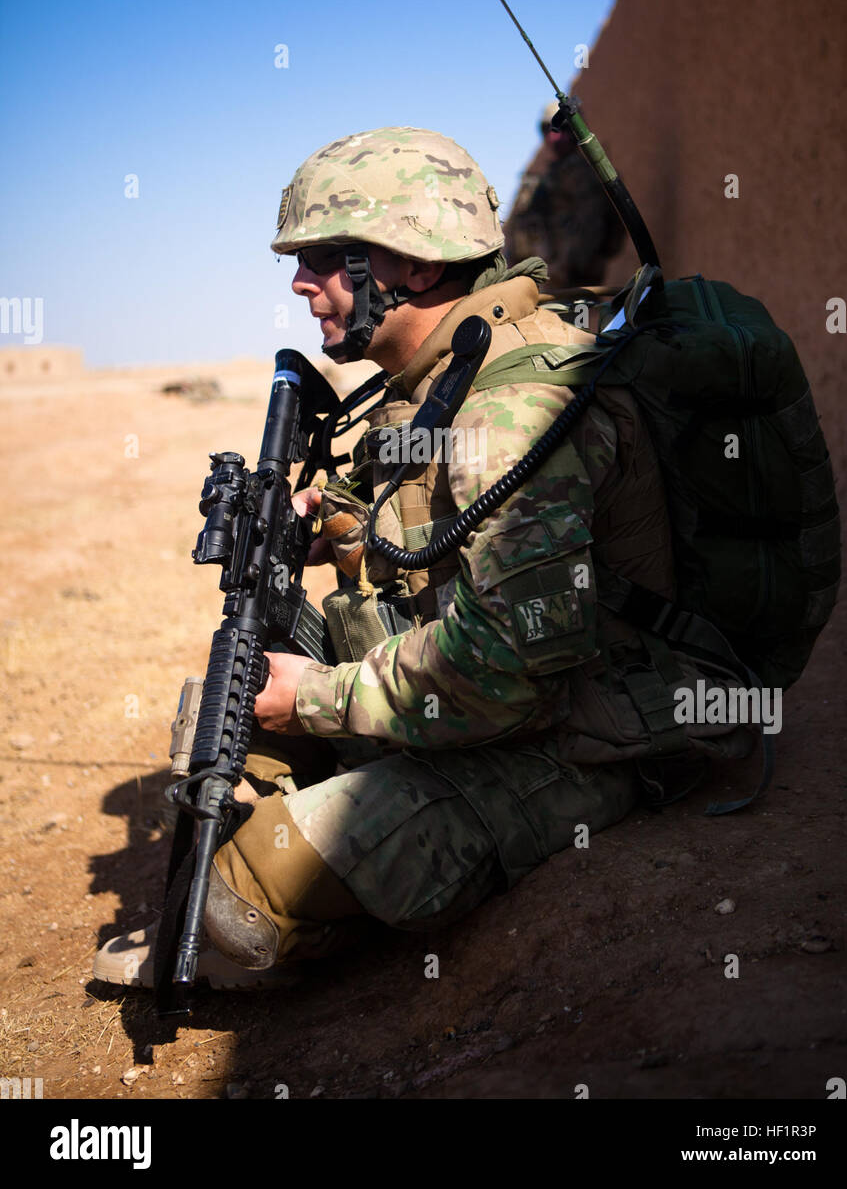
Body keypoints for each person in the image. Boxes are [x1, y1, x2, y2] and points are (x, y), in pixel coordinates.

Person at [94, 125, 756, 988]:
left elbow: (506, 671)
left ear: (413, 265)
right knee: (221, 724)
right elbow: (417, 522)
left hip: (581, 737)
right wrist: (330, 522)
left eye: (328, 255)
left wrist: (320, 699)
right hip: (487, 700)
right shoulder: (442, 377)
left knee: (249, 885)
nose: (300, 281)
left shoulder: (513, 409)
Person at [505, 101, 625, 292]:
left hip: (572, 288)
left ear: (574, 133)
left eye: (561, 129)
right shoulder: (545, 179)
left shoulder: (589, 179)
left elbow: (592, 234)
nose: (553, 137)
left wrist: (560, 272)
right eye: (548, 130)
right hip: (543, 284)